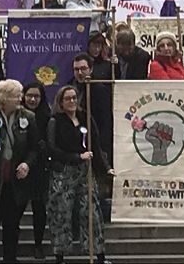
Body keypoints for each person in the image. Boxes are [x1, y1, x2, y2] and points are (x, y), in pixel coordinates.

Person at [47, 85, 114, 264]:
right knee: (62, 214)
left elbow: (96, 146)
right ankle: (60, 256)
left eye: (74, 98)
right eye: (67, 98)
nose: (72, 101)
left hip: (85, 172)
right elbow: (52, 149)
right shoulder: (55, 121)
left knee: (92, 213)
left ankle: (99, 255)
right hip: (64, 173)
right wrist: (76, 156)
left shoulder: (86, 118)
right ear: (60, 102)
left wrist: (106, 167)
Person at [0, 79, 40, 264]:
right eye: (16, 95)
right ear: (4, 98)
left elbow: (35, 147)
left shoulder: (28, 117)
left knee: (12, 226)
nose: (20, 98)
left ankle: (10, 259)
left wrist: (27, 164)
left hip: (16, 181)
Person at [22, 81, 52, 260]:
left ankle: (38, 244)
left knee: (39, 209)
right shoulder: (17, 115)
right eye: (29, 96)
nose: (32, 99)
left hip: (40, 168)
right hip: (21, 166)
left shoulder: (47, 117)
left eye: (36, 96)